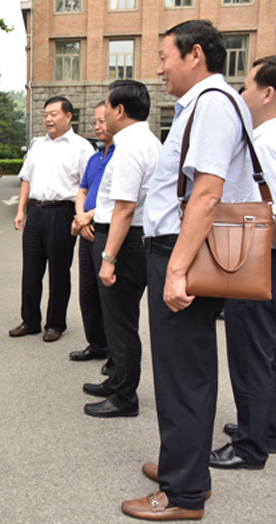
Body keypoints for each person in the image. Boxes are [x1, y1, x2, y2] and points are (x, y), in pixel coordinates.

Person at [121, 20, 260, 521]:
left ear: (194, 54)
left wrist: (177, 269)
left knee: (183, 374)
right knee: (186, 369)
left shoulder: (213, 104)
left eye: (164, 57)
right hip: (179, 248)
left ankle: (182, 494)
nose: (159, 69)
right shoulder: (206, 104)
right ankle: (187, 468)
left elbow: (206, 193)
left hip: (182, 252)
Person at [209, 55, 276, 470]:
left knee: (252, 355)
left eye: (248, 86)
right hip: (274, 260)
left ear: (268, 93)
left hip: (264, 259)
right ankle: (264, 429)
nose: (242, 93)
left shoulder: (264, 142)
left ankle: (249, 445)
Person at [82, 80, 161, 419]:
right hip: (131, 237)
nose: (102, 113)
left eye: (106, 105)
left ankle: (124, 396)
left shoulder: (130, 147)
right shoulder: (147, 142)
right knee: (120, 318)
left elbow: (125, 208)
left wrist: (108, 258)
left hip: (123, 241)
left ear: (119, 110)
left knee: (121, 322)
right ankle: (116, 380)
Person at [10, 96, 94, 342]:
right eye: (46, 114)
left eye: (54, 114)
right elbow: (26, 179)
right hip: (36, 212)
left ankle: (55, 323)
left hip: (63, 212)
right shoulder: (38, 146)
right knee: (31, 270)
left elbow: (88, 186)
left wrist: (82, 217)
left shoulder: (81, 147)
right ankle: (30, 321)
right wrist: (20, 211)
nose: (48, 119)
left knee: (59, 271)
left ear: (68, 116)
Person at [69, 102, 113, 363]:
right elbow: (82, 190)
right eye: (94, 122)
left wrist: (89, 216)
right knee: (88, 293)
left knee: (108, 295)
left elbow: (122, 199)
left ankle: (114, 354)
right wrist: (81, 217)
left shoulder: (122, 155)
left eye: (102, 121)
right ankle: (96, 344)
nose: (97, 126)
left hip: (107, 230)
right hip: (86, 230)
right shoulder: (95, 158)